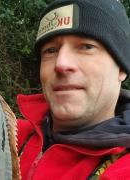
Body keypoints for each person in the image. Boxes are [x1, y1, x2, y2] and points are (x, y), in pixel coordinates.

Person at [17, 0, 130, 179]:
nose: (61, 64)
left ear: (122, 68)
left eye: (86, 47)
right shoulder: (5, 135)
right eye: (50, 50)